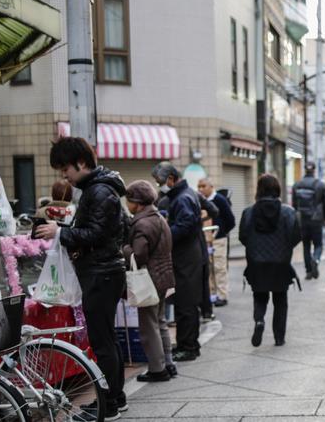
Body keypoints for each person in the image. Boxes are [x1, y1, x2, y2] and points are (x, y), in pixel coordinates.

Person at [34, 137, 127, 421]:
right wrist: (64, 229)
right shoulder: (99, 188)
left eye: (66, 169)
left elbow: (96, 234)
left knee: (102, 341)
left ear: (82, 163)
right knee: (107, 340)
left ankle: (109, 405)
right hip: (104, 272)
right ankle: (116, 398)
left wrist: (60, 233)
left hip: (101, 273)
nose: (65, 176)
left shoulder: (98, 191)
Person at [151, 162, 207, 362]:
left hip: (186, 258)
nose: (159, 187)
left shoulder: (182, 198)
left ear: (171, 179)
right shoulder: (184, 195)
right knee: (187, 304)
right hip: (188, 256)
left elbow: (184, 226)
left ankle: (188, 346)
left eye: (160, 182)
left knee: (186, 305)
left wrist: (164, 233)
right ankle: (188, 344)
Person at [122, 180, 177, 382]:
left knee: (148, 326)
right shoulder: (159, 218)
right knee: (160, 321)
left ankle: (157, 369)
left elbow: (138, 254)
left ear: (137, 202)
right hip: (163, 277)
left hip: (148, 280)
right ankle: (168, 363)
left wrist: (124, 249)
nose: (126, 204)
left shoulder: (142, 223)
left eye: (128, 200)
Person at [239, 174, 301, 347]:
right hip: (281, 263)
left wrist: (254, 249)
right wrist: (285, 248)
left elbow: (243, 236)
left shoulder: (249, 212)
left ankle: (259, 321)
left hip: (256, 263)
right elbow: (296, 236)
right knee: (280, 299)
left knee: (260, 295)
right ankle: (279, 337)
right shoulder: (288, 212)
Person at [198, 178, 235, 307]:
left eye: (203, 186)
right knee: (208, 268)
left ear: (211, 186)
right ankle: (211, 293)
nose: (201, 189)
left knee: (219, 268)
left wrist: (222, 232)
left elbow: (230, 219)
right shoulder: (200, 201)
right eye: (199, 187)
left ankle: (222, 295)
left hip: (218, 238)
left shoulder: (219, 199)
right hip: (205, 239)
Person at [292, 163, 325, 280]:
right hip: (316, 219)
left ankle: (308, 271)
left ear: (305, 170)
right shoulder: (321, 185)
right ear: (314, 170)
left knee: (306, 245)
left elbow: (294, 205)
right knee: (318, 244)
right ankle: (316, 259)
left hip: (303, 219)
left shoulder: (296, 185)